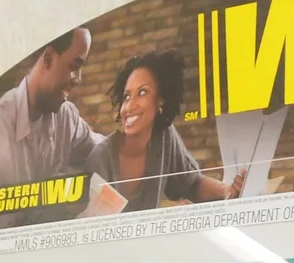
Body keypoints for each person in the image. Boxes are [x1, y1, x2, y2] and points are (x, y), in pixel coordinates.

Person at [86, 51, 242, 211]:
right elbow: (102, 226)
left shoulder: (162, 137)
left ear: (160, 100)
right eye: (126, 96)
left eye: (142, 92)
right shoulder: (101, 158)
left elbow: (191, 183)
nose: (130, 106)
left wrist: (227, 191)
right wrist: (167, 214)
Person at [0, 28, 98, 207]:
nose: (78, 79)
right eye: (75, 66)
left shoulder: (66, 117)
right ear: (49, 58)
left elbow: (102, 152)